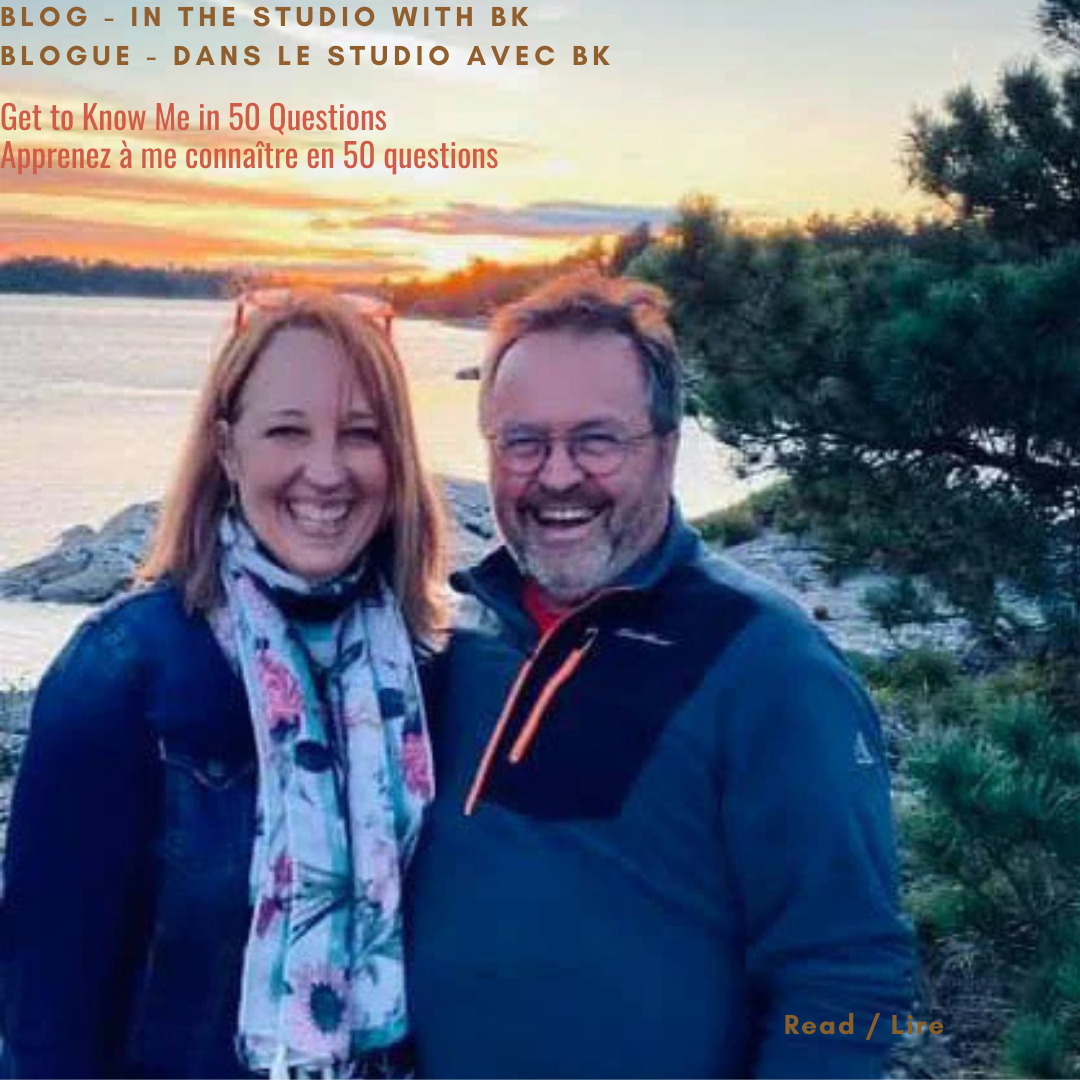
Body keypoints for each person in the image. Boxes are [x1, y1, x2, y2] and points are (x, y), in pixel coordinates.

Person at [405, 270, 912, 1079]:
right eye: (523, 442)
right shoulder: (451, 642)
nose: (558, 475)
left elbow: (850, 977)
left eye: (597, 440)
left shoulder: (769, 665)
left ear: (668, 448)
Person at [1, 291, 446, 1078]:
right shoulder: (124, 678)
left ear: (398, 459)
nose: (327, 471)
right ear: (228, 450)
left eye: (361, 434)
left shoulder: (430, 675)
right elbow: (47, 1024)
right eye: (286, 431)